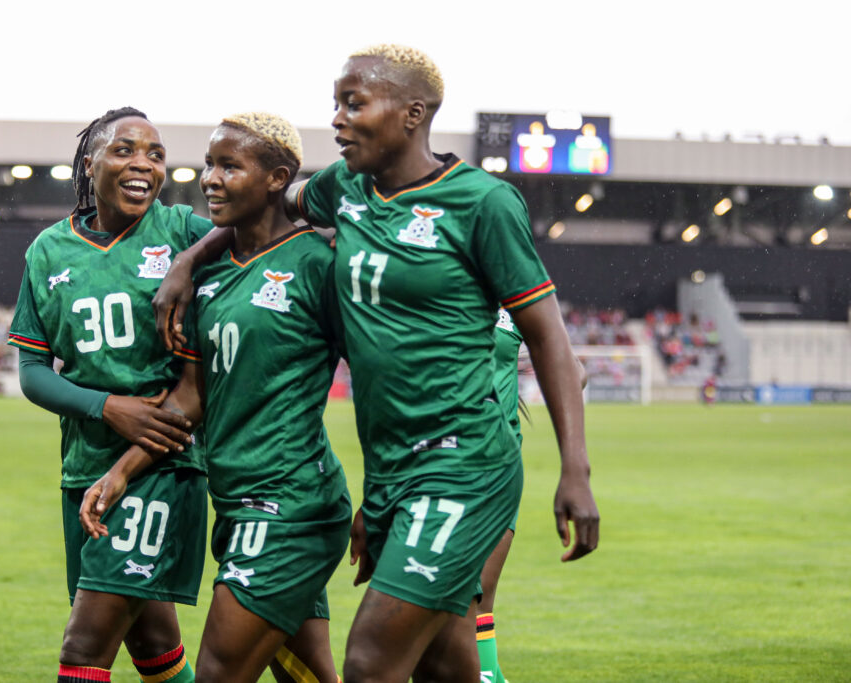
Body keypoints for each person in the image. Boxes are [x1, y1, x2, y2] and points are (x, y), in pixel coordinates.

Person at [156, 45, 600, 683]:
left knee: (369, 660)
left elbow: (549, 339)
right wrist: (189, 259)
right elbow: (267, 213)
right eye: (335, 103)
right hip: (393, 473)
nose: (337, 119)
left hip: (463, 465)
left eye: (354, 103)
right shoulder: (346, 189)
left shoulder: (482, 203)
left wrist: (575, 473)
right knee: (444, 665)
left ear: (412, 113)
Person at [80, 112, 351, 683]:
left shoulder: (320, 262)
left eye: (230, 166)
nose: (209, 179)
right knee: (308, 673)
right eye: (208, 164)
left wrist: (385, 491)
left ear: (278, 178)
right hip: (235, 500)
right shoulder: (212, 275)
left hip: (289, 504)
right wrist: (123, 470)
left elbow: (376, 381)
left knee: (218, 673)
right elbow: (192, 394)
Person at [7, 107, 211, 683]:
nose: (142, 163)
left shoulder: (180, 230)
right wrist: (105, 407)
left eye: (155, 153)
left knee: (84, 646)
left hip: (160, 464)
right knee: (152, 641)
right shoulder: (49, 250)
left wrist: (193, 258)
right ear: (89, 161)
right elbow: (31, 371)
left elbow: (264, 226)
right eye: (124, 150)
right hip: (84, 465)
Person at [476, 311, 588, 683]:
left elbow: (573, 370)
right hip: (423, 465)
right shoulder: (428, 274)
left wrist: (576, 471)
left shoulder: (511, 287)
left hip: (495, 468)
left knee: (474, 603)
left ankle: (487, 673)